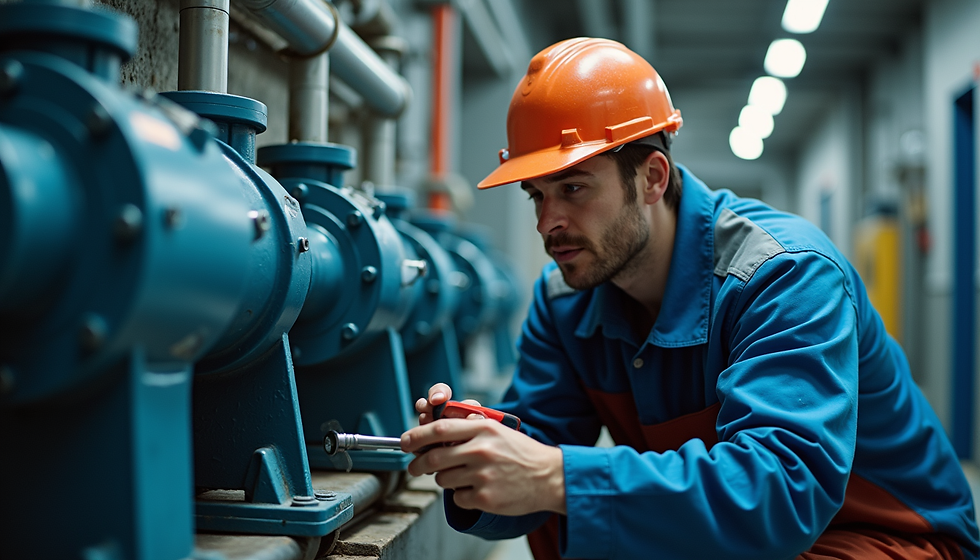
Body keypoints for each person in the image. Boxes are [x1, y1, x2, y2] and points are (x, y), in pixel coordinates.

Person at [399, 37, 980, 559]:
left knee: (580, 494)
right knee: (571, 519)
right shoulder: (564, 301)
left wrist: (556, 476)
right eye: (536, 197)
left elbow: (781, 490)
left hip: (887, 536)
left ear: (652, 178)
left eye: (573, 188)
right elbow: (539, 449)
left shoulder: (784, 275)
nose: (548, 222)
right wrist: (479, 455)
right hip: (753, 541)